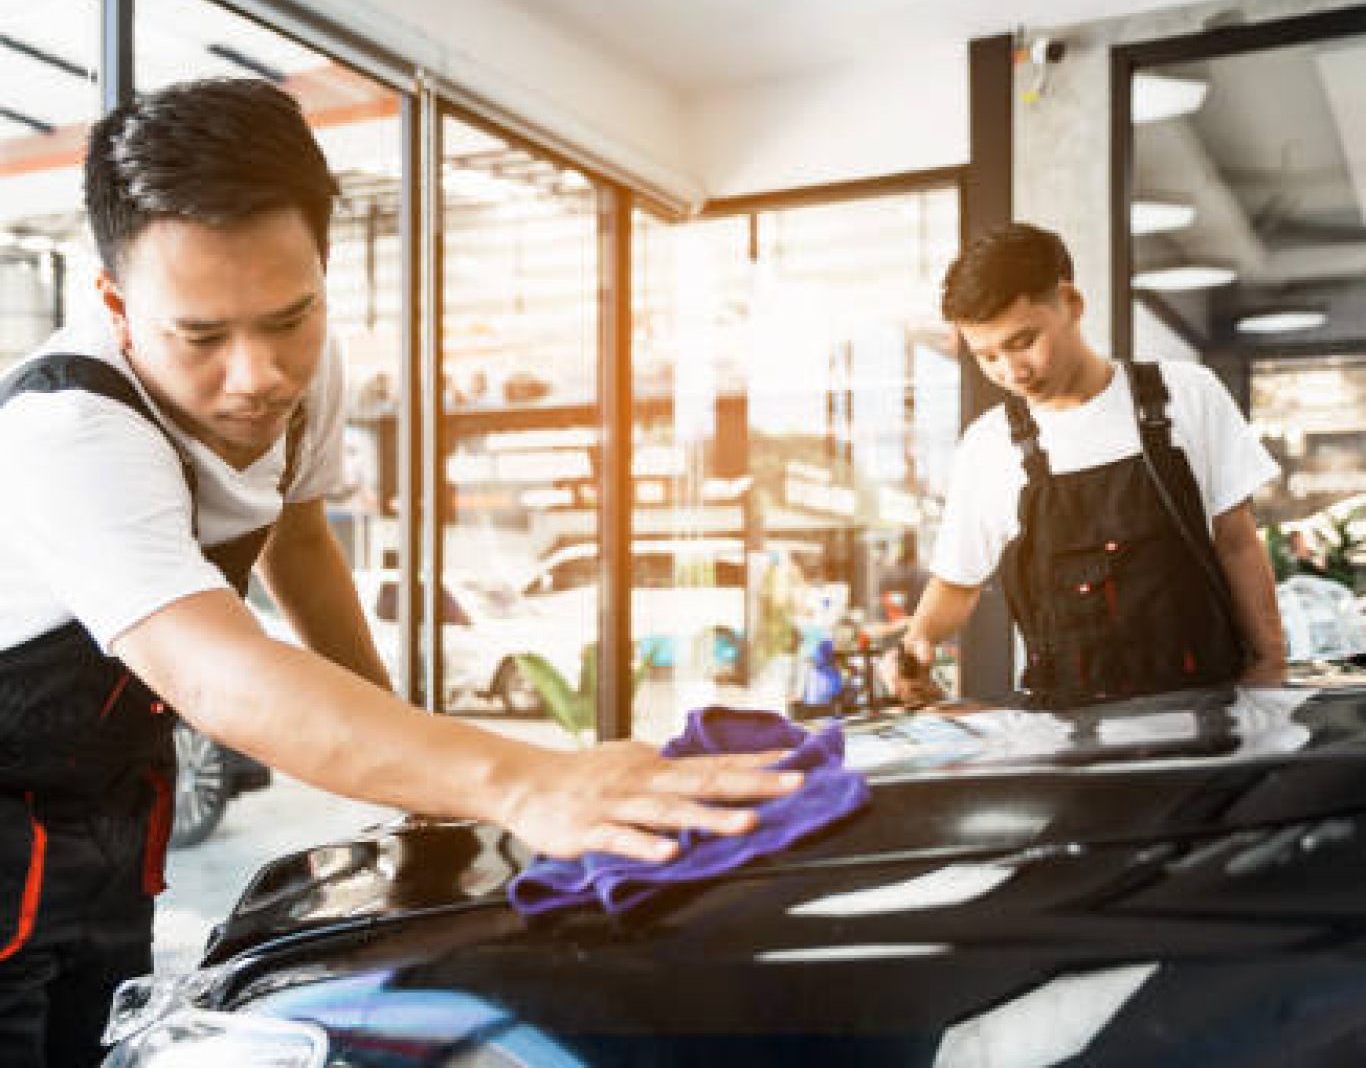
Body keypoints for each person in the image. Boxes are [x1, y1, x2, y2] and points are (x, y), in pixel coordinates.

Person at [0, 79, 799, 1067]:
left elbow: (298, 540)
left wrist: (416, 779)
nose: (256, 375)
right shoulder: (67, 429)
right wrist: (519, 781)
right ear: (116, 305)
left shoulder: (306, 371)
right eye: (201, 336)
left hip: (111, 802)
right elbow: (213, 671)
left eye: (289, 316)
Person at [883, 223, 1286, 710]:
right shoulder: (987, 447)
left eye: (1023, 341)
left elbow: (1236, 539)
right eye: (987, 356)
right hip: (1065, 737)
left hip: (1209, 716)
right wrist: (917, 643)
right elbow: (956, 583)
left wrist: (1270, 664)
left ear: (1070, 303)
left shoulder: (1187, 394)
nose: (1011, 372)